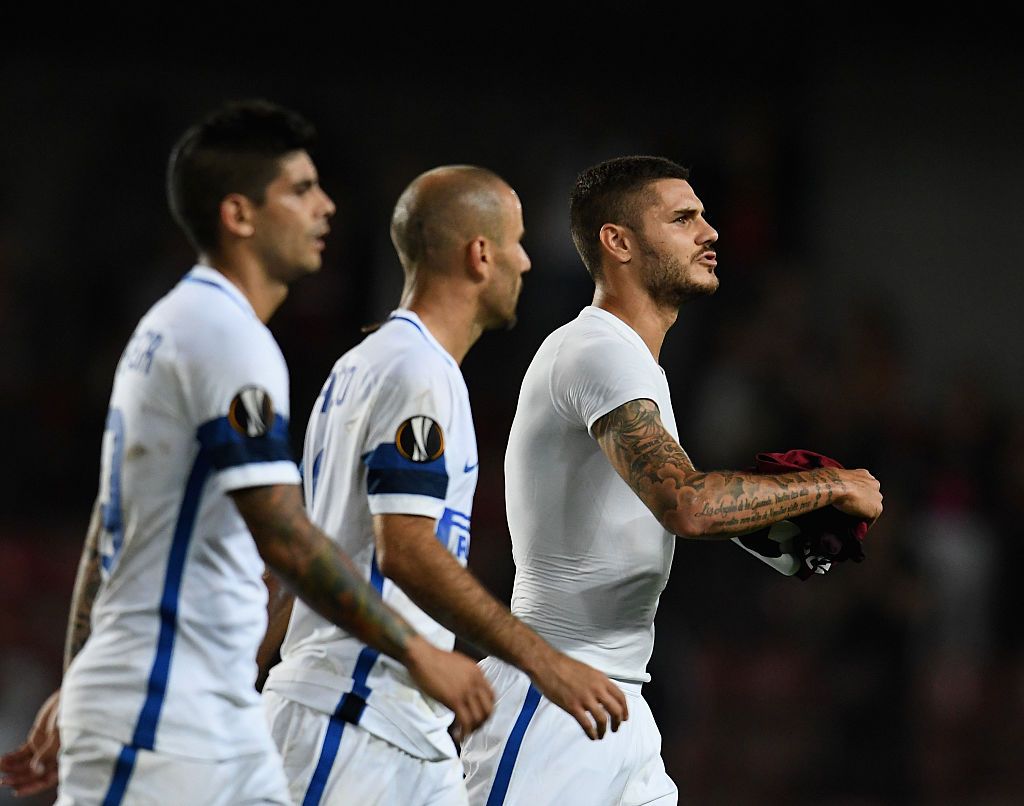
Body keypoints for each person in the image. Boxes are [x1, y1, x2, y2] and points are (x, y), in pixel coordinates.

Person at [0, 99, 493, 805]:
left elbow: (108, 530)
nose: (326, 207)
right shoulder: (227, 340)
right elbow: (286, 538)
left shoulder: (178, 327)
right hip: (161, 713)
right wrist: (419, 652)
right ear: (239, 215)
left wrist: (79, 678)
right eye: (300, 190)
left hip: (216, 714)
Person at [459, 155, 884, 805]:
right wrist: (829, 486)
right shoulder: (597, 349)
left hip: (618, 704)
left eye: (705, 217)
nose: (710, 232)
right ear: (618, 241)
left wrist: (766, 520)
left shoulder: (633, 363)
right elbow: (687, 504)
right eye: (683, 219)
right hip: (553, 705)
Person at [258, 164, 630, 805]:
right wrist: (544, 663)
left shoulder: (364, 366)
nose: (527, 262)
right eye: (515, 242)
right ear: (479, 255)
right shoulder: (418, 375)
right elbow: (404, 548)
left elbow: (313, 555)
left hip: (400, 727)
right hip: (352, 720)